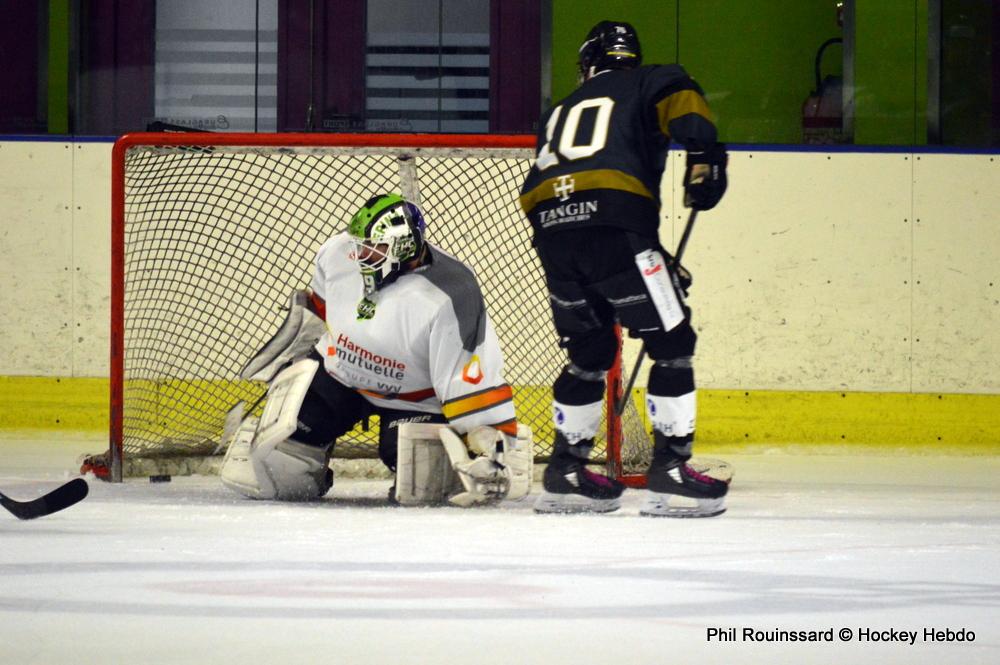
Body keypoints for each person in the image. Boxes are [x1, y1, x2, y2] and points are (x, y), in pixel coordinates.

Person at [519, 20, 729, 516]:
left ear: (588, 63)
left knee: (590, 351)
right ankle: (670, 471)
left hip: (553, 232)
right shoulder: (651, 78)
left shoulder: (557, 111)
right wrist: (705, 157)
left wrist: (651, 256)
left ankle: (566, 472)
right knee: (673, 343)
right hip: (616, 225)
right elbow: (686, 104)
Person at [220, 193, 531, 507]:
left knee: (422, 485)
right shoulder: (336, 252)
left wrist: (491, 441)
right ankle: (312, 461)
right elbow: (321, 312)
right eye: (361, 245)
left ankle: (490, 450)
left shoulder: (453, 293)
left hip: (413, 401)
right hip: (339, 376)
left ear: (403, 246)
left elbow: (465, 375)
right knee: (280, 468)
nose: (361, 255)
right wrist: (291, 366)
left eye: (375, 248)